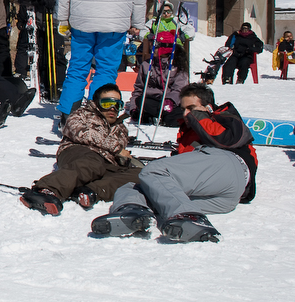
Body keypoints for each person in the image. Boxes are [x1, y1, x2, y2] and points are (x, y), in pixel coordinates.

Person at [91, 83, 257, 243]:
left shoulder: (223, 117)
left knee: (154, 171)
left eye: (191, 108)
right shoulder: (190, 131)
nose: (186, 114)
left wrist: (199, 116)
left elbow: (228, 140)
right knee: (137, 187)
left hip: (230, 165)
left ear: (208, 107)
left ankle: (190, 216)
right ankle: (132, 210)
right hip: (222, 197)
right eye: (183, 109)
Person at [20, 84, 138, 215]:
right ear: (96, 103)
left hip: (106, 163)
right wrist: (116, 148)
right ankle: (45, 189)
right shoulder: (82, 114)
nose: (112, 108)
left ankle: (89, 191)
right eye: (107, 103)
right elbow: (79, 131)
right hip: (78, 151)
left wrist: (124, 159)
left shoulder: (121, 129)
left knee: (142, 175)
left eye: (117, 105)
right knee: (93, 163)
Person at [14, 0, 66, 100]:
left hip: (53, 21)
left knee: (55, 55)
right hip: (34, 21)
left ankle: (56, 86)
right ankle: (39, 83)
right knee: (38, 54)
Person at [125, 43, 189, 127]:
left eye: (157, 46)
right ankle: (161, 117)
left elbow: (180, 89)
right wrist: (133, 108)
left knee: (183, 110)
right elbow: (138, 89)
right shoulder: (146, 65)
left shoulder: (178, 65)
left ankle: (160, 117)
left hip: (171, 103)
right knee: (141, 101)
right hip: (152, 101)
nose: (153, 48)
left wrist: (170, 100)